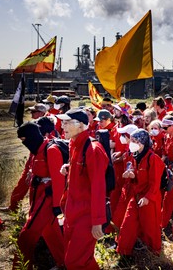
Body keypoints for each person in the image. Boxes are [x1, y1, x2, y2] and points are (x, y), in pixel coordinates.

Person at [56, 108, 109, 269]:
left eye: (66, 123)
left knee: (74, 261)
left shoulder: (93, 150)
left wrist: (97, 222)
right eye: (62, 122)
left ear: (80, 125)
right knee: (81, 259)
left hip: (86, 215)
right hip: (72, 211)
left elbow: (99, 187)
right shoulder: (74, 144)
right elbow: (81, 172)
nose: (62, 126)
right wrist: (69, 167)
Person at [12, 122, 65, 269]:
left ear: (32, 136)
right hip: (39, 198)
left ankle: (20, 267)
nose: (24, 143)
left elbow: (58, 179)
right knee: (51, 235)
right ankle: (65, 263)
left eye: (24, 139)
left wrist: (56, 206)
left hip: (47, 201)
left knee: (26, 236)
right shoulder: (37, 150)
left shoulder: (51, 150)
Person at [116, 129, 164, 263]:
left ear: (143, 143)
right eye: (132, 141)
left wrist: (147, 198)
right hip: (136, 196)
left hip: (150, 199)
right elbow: (138, 177)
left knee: (151, 228)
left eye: (136, 141)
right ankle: (123, 253)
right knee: (127, 225)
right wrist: (132, 176)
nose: (133, 144)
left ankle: (155, 255)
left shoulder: (153, 159)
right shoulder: (135, 156)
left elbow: (155, 183)